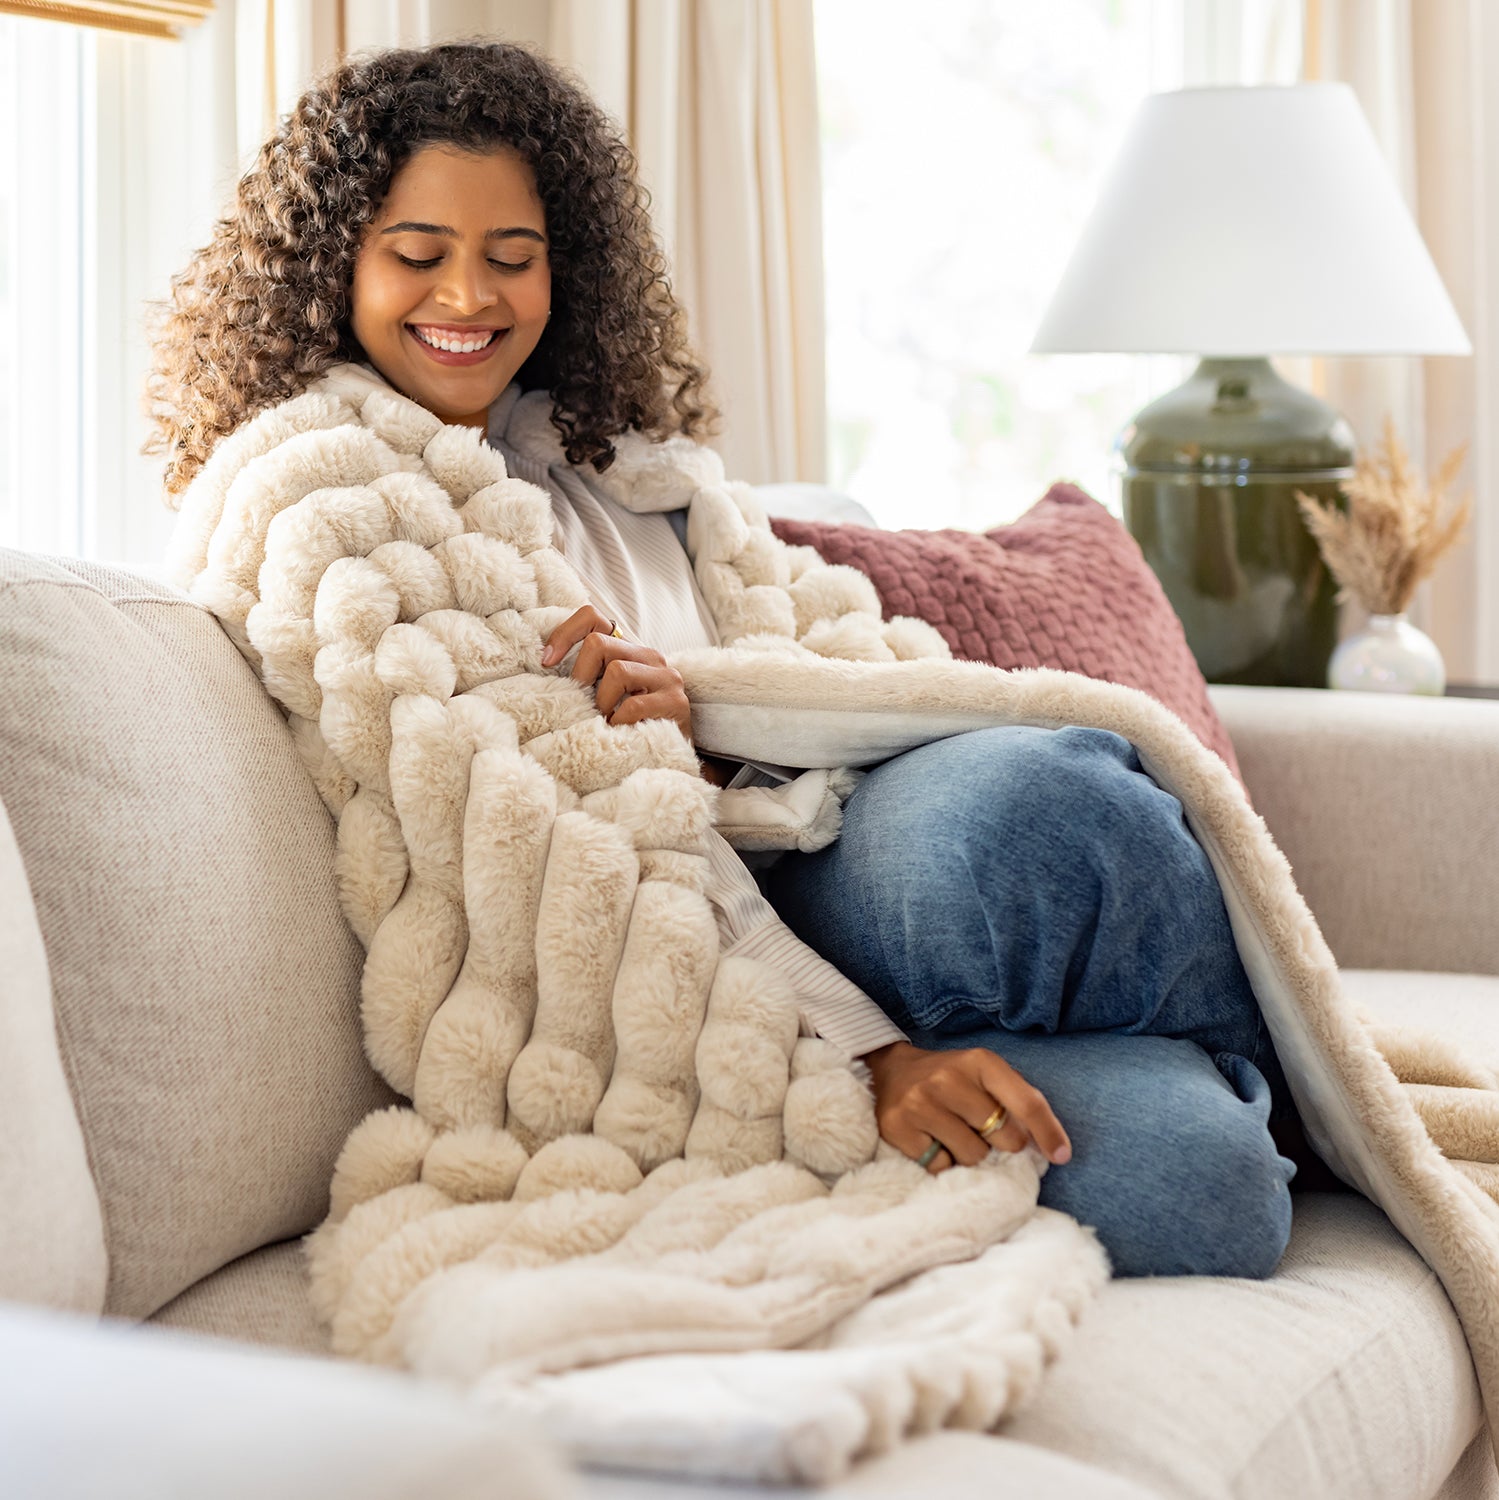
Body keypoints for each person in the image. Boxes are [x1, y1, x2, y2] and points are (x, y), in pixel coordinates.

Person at [149, 40, 1297, 1279]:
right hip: (721, 964)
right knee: (1212, 1189)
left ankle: (1303, 1080)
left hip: (857, 845)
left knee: (1053, 800)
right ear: (333, 264)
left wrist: (712, 709)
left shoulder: (632, 469)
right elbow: (574, 851)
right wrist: (869, 1061)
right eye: (418, 255)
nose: (469, 297)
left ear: (566, 265)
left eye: (512, 257)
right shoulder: (346, 508)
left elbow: (867, 678)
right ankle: (1289, 1102)